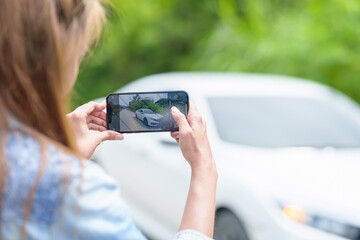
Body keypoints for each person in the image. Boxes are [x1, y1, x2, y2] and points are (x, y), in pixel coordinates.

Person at [0, 0, 218, 239]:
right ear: (58, 59)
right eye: (80, 54)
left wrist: (61, 150)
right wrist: (204, 168)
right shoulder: (76, 189)